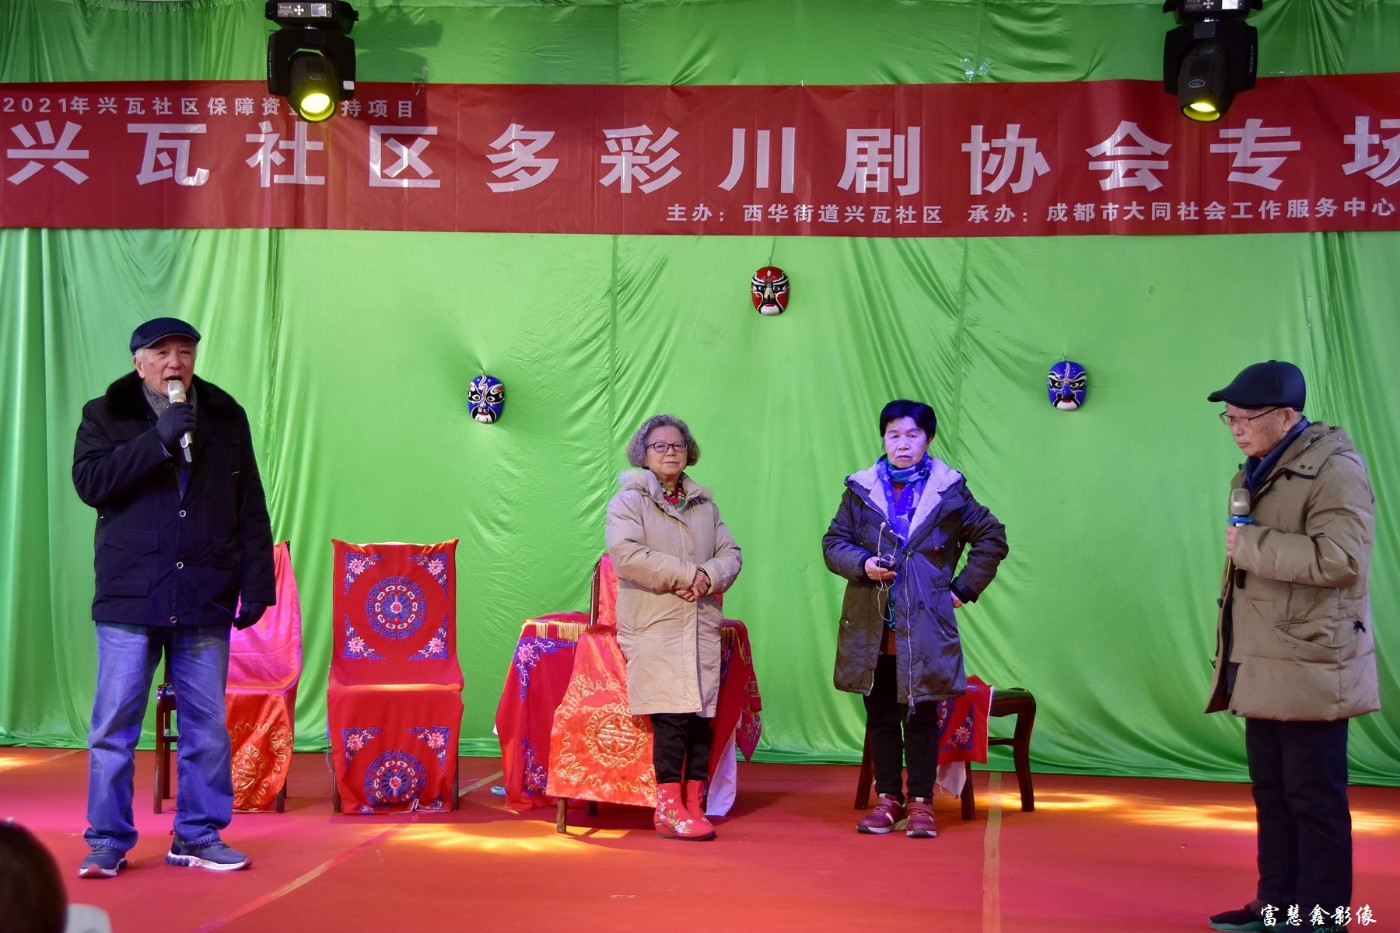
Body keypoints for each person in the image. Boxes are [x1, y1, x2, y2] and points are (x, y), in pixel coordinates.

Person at [72, 317, 275, 878]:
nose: (175, 362)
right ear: (138, 362)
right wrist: (156, 440)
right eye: (161, 352)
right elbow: (91, 484)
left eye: (184, 351)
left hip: (204, 590)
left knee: (206, 728)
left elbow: (249, 504)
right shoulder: (104, 413)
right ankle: (107, 839)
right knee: (114, 728)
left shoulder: (225, 414)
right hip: (131, 594)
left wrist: (258, 582)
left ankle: (198, 834)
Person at [1204, 362, 1378, 933]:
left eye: (1245, 417)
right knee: (1273, 794)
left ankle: (1321, 917)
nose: (1236, 427)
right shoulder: (1256, 469)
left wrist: (1253, 545)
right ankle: (1276, 906)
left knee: (1314, 798)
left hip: (1312, 659)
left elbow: (1342, 560)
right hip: (1262, 658)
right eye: (1229, 417)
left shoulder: (1335, 470)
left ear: (1285, 416)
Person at [823, 399, 1007, 838]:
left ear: (928, 439)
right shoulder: (861, 492)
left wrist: (961, 590)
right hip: (873, 624)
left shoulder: (949, 492)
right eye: (894, 435)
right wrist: (862, 563)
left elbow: (992, 537)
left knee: (922, 717)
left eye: (912, 435)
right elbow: (833, 543)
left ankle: (921, 802)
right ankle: (888, 799)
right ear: (883, 439)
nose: (902, 444)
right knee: (881, 716)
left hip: (924, 625)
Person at [605, 414, 742, 841]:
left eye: (678, 445)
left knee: (701, 715)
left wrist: (708, 576)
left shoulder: (705, 506)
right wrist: (689, 574)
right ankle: (668, 808)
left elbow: (731, 554)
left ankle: (694, 802)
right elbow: (626, 555)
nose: (670, 452)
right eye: (660, 446)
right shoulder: (628, 502)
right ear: (643, 454)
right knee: (671, 716)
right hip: (655, 623)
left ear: (689, 453)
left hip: (699, 622)